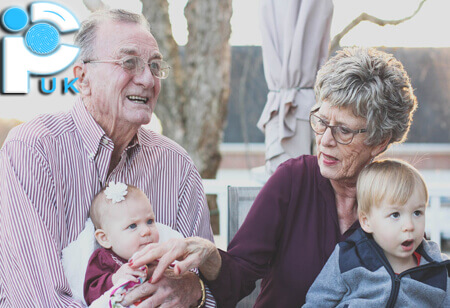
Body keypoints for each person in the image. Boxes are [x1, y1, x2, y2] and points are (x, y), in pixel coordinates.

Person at [127, 47, 420, 307]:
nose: (325, 140)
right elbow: (237, 278)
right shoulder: (294, 180)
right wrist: (209, 254)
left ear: (380, 142)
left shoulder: (398, 197)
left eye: (343, 130)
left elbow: (418, 283)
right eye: (321, 120)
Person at [0, 9, 214, 307]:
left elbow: (206, 282)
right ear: (82, 77)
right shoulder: (34, 150)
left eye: (154, 66)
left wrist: (194, 290)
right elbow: (35, 300)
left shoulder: (176, 165)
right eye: (129, 63)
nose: (147, 79)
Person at [304, 159, 450, 307]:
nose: (409, 226)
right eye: (395, 215)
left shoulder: (437, 270)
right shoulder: (348, 258)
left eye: (417, 213)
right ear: (366, 221)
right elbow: (316, 303)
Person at [84, 182, 159, 305]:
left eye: (150, 221)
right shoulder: (104, 258)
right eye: (132, 226)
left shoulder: (158, 256)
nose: (146, 230)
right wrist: (114, 279)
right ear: (105, 238)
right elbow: (90, 294)